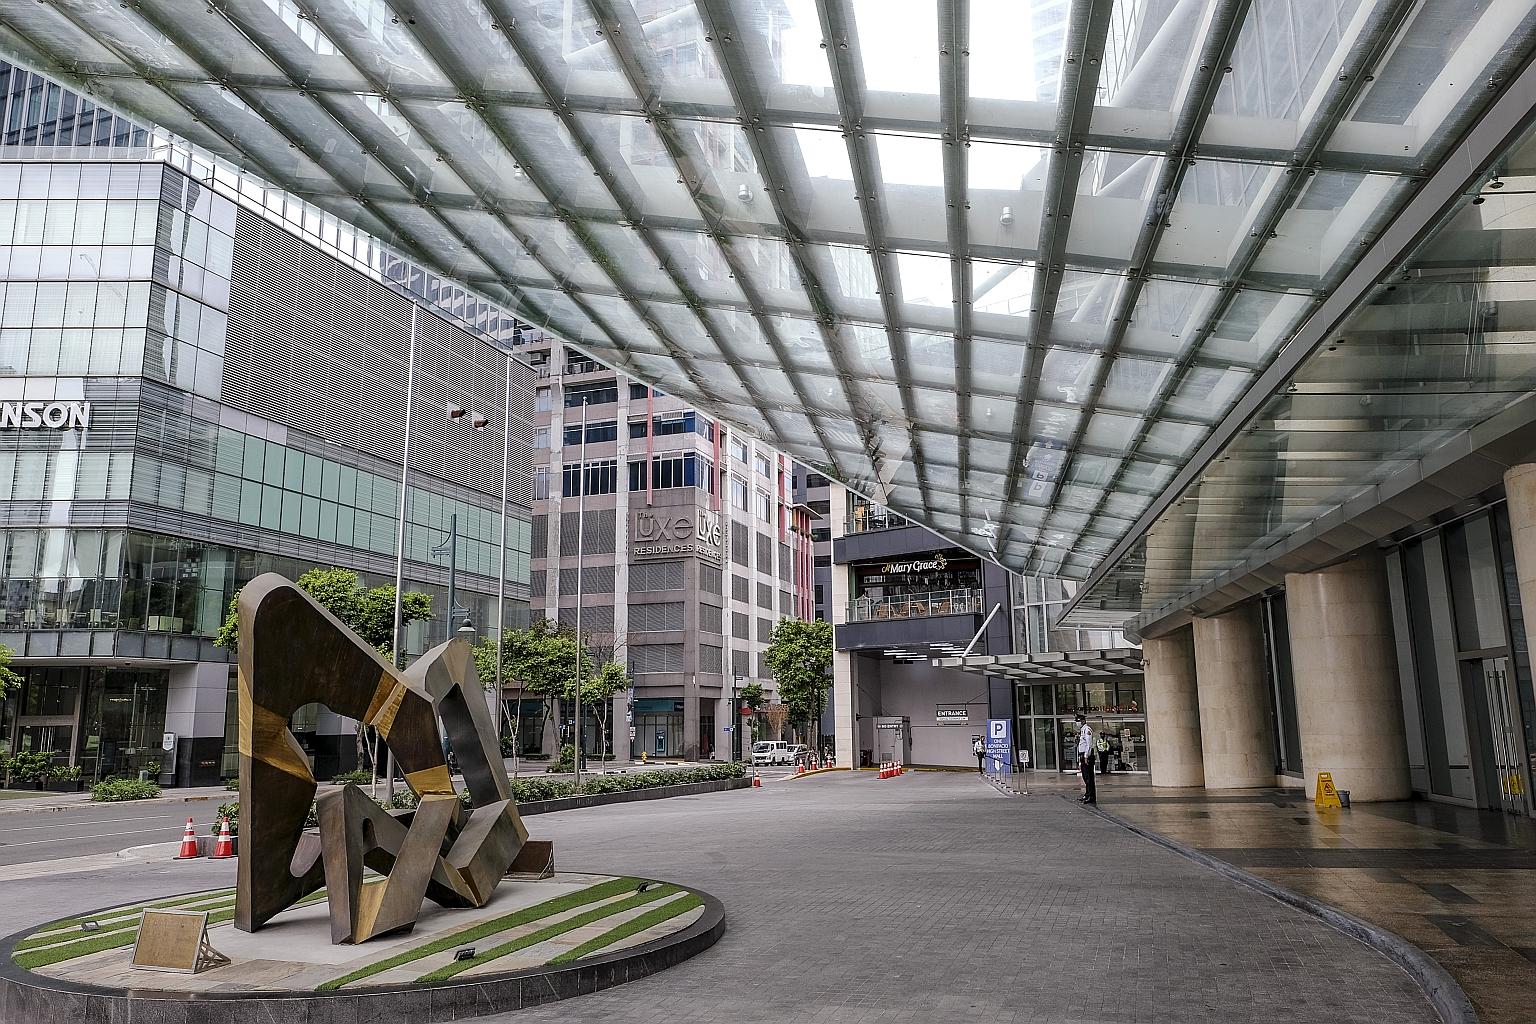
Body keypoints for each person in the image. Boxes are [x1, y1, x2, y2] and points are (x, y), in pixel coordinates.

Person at [1075, 714, 1096, 805]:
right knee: (1085, 776)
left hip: (1087, 756)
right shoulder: (1082, 730)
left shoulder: (1087, 730)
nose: (1077, 723)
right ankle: (1087, 794)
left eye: (1078, 721)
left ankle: (1091, 796)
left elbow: (1089, 744)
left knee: (1089, 777)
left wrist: (1086, 756)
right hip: (1082, 755)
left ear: (1083, 721)